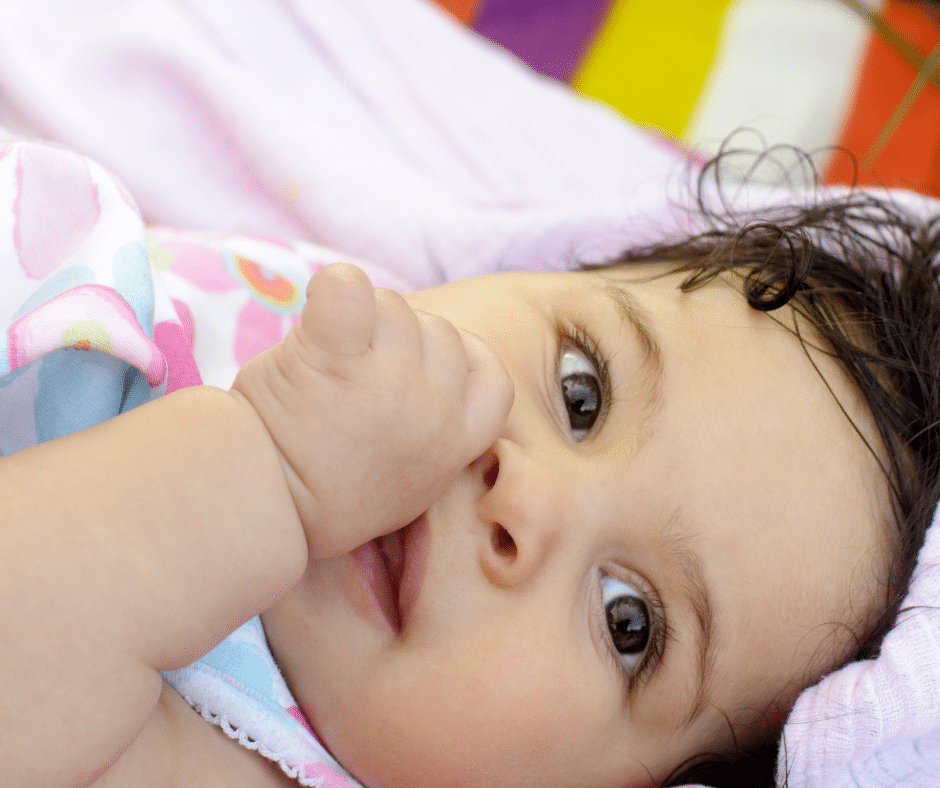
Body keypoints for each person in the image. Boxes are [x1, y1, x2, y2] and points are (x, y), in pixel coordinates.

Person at [0, 138, 938, 788]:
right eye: (582, 392)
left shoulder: (240, 759)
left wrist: (273, 477)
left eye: (629, 622)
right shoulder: (339, 320)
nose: (526, 500)